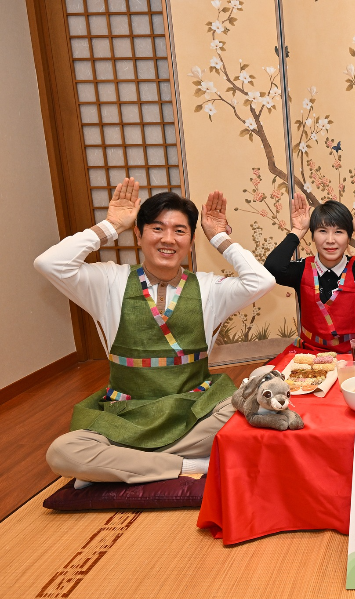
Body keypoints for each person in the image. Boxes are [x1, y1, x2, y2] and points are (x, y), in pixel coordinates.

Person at [35, 178, 275, 487]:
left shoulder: (208, 288)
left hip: (195, 414)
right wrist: (110, 225)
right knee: (63, 452)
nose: (168, 239)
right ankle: (191, 463)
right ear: (138, 233)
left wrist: (218, 237)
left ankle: (126, 465)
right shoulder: (108, 281)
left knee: (262, 394)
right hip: (125, 419)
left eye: (180, 231)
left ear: (190, 240)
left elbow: (262, 282)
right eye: (157, 228)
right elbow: (49, 263)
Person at [264, 193, 355, 352]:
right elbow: (273, 268)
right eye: (322, 231)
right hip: (309, 353)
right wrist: (298, 230)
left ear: (349, 237)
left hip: (352, 354)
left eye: (339, 232)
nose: (330, 240)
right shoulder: (302, 268)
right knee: (263, 374)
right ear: (312, 236)